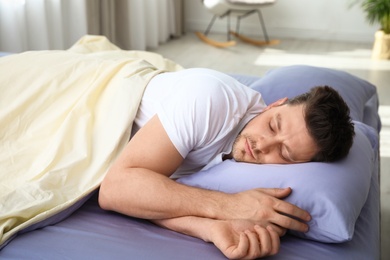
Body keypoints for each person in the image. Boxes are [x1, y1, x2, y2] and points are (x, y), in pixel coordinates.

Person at [98, 68, 354, 259]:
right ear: (275, 104)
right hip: (99, 92)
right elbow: (115, 189)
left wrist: (210, 228)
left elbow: (156, 197)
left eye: (285, 154)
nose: (263, 144)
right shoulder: (210, 101)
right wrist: (229, 206)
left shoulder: (254, 176)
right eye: (274, 124)